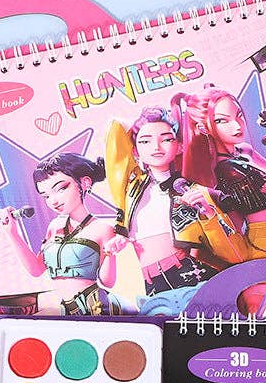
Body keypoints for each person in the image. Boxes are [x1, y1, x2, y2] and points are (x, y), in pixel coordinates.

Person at [105, 106, 245, 315]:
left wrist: (208, 213)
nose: (156, 146)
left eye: (166, 139)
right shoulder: (130, 190)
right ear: (135, 151)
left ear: (179, 146)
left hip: (192, 273)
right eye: (145, 141)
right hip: (153, 283)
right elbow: (116, 134)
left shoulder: (192, 189)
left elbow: (231, 248)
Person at [0, 153, 123, 316]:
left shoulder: (102, 229)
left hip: (95, 308)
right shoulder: (54, 226)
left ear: (84, 182)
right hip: (65, 308)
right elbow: (36, 269)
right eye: (46, 196)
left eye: (61, 189)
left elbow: (108, 282)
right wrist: (12, 233)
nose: (53, 201)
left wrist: (110, 253)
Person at [173, 86, 266, 259]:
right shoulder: (230, 169)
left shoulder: (244, 150)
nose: (237, 125)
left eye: (239, 115)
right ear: (203, 128)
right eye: (222, 121)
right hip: (264, 244)